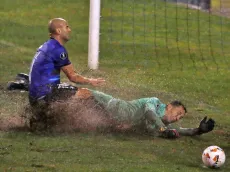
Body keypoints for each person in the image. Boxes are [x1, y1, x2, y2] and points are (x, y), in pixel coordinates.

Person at [27, 18, 105, 130]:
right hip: (46, 94)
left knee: (68, 90)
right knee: (86, 94)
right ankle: (104, 123)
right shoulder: (58, 50)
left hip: (35, 97)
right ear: (59, 31)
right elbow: (73, 76)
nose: (69, 30)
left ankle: (44, 119)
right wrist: (91, 81)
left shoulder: (47, 46)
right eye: (67, 27)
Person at [76, 88, 215, 139]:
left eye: (180, 117)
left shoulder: (163, 124)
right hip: (109, 104)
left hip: (108, 119)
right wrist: (163, 130)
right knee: (76, 96)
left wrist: (199, 130)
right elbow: (149, 113)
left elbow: (181, 131)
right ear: (170, 106)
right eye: (178, 113)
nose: (177, 118)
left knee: (78, 119)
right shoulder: (154, 102)